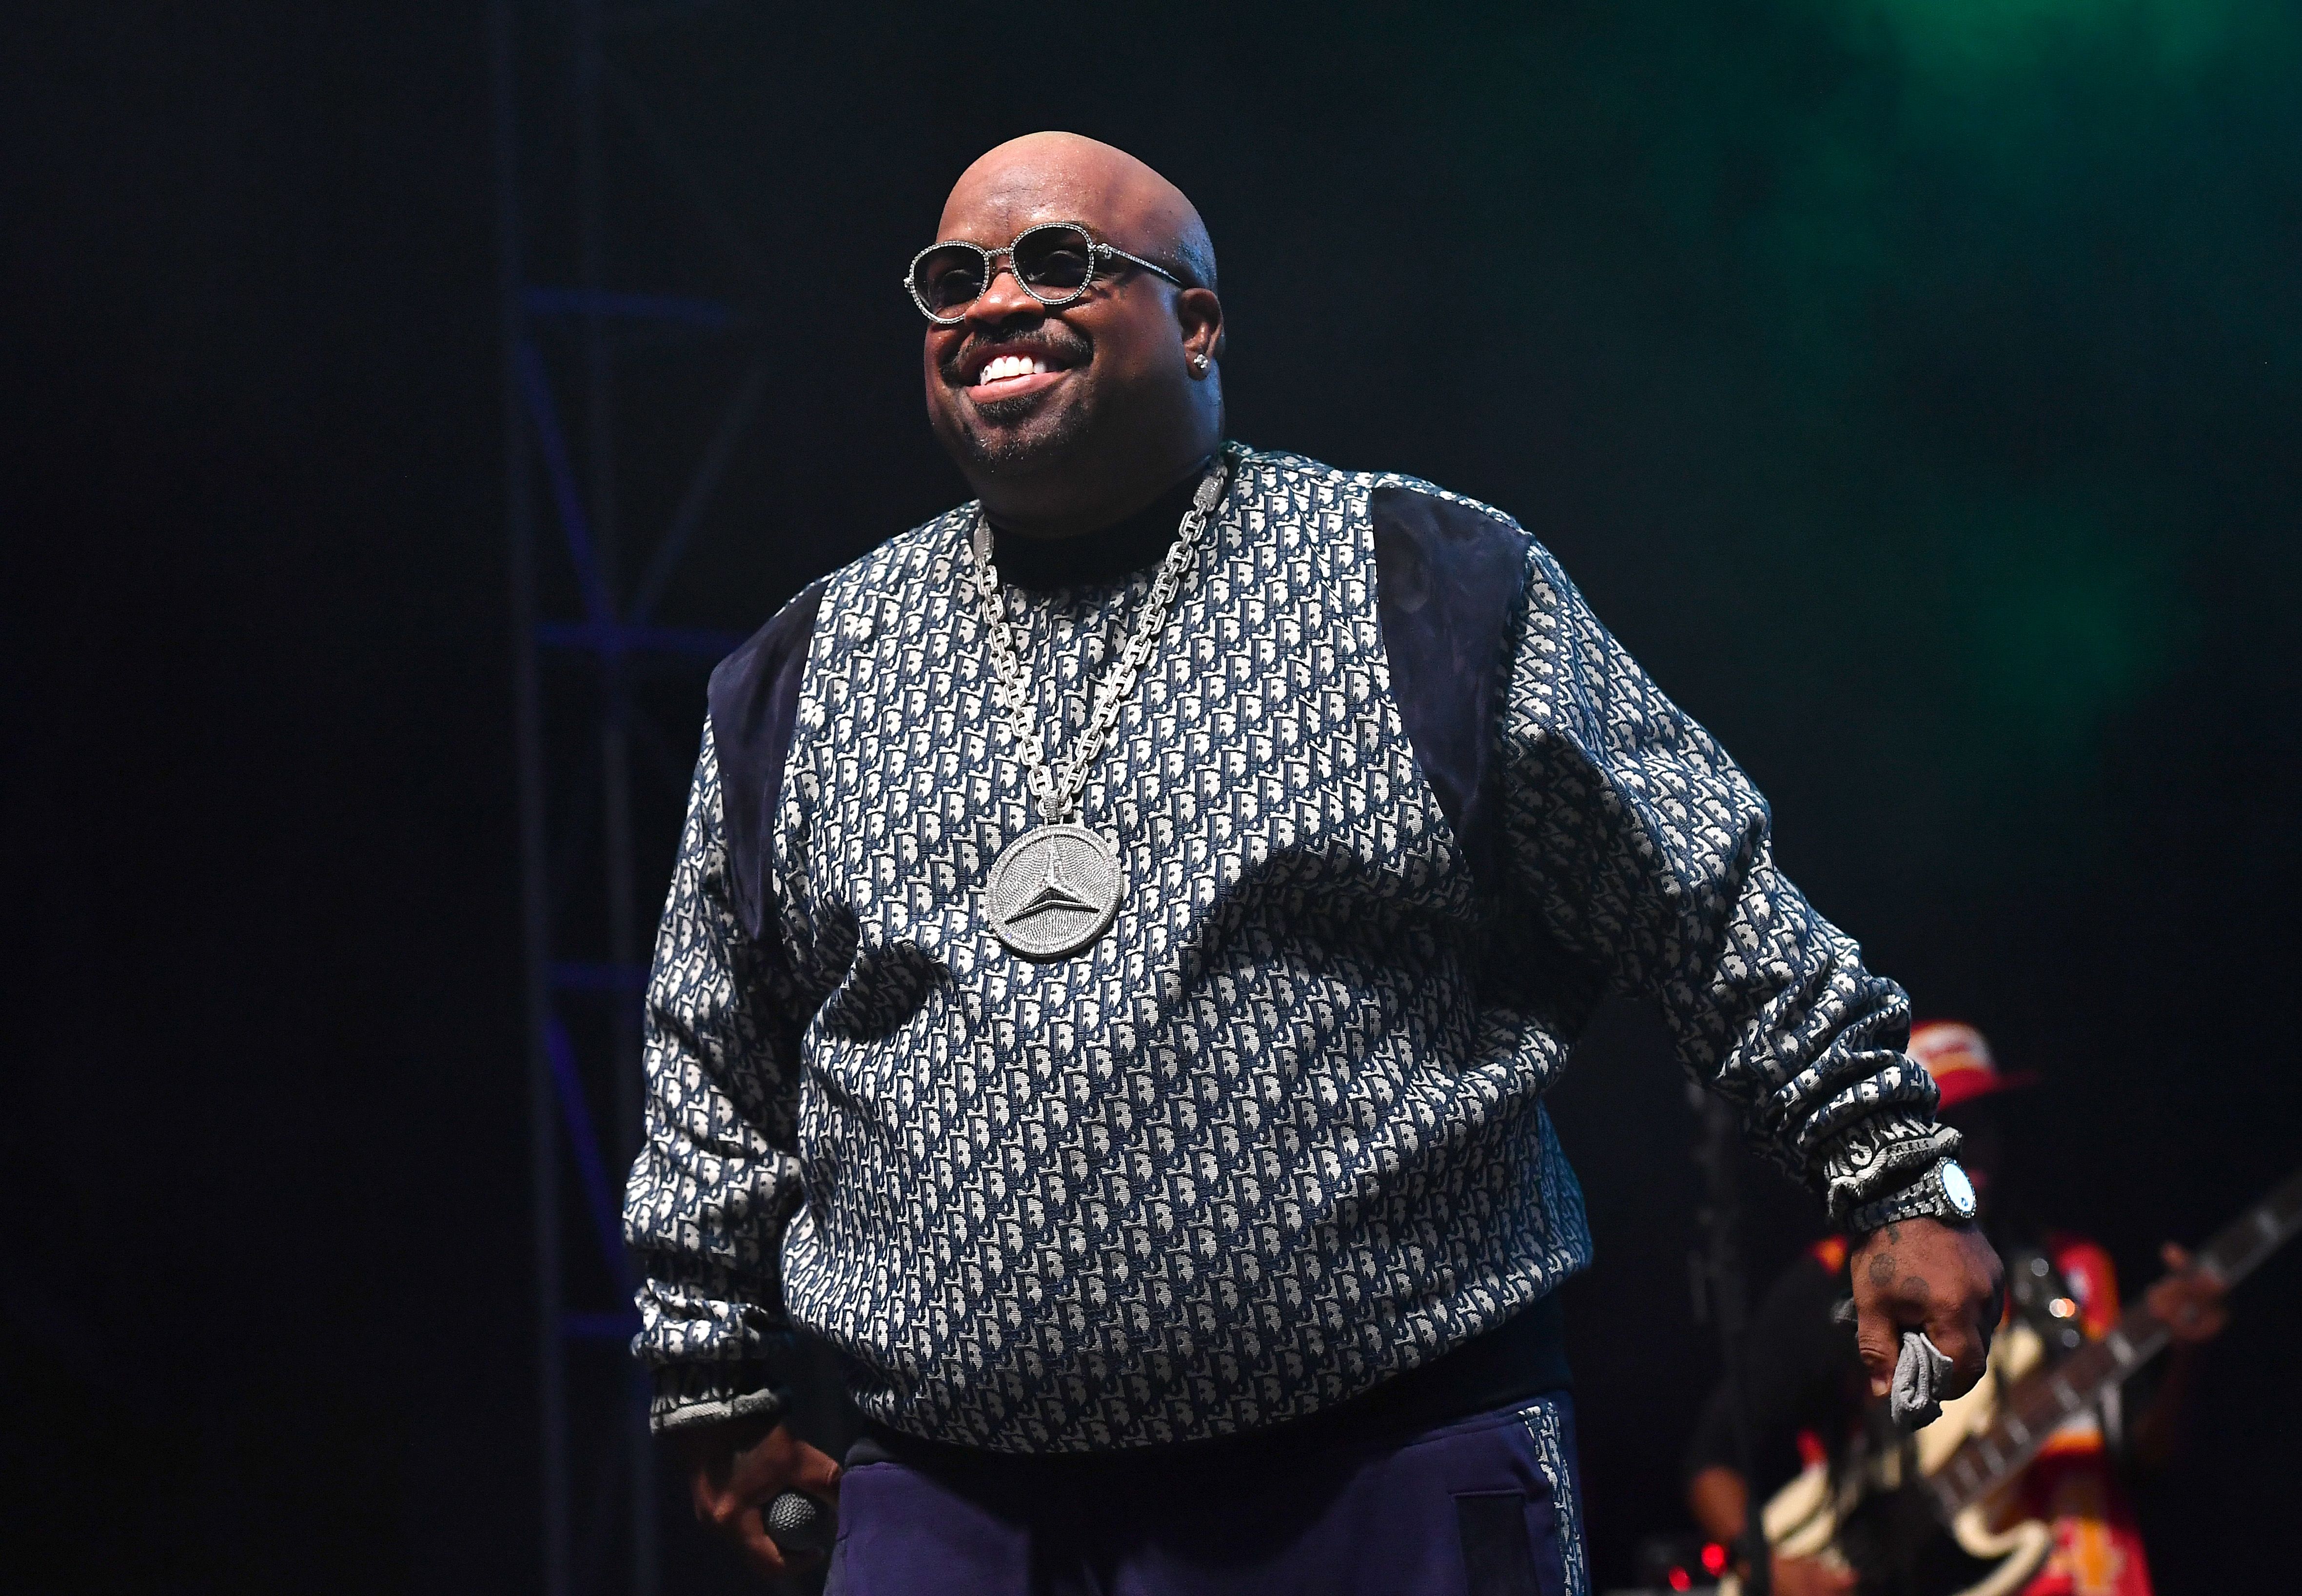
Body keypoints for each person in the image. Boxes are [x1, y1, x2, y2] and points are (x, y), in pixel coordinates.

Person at [622, 131, 2003, 1593]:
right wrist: (713, 1376)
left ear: (1197, 323)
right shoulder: (809, 666)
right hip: (953, 1499)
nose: (994, 304)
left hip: (1384, 1462)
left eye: (1058, 262)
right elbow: (711, 1045)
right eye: (954, 278)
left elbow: (1698, 887)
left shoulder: (1423, 579)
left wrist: (1894, 1173)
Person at [1683, 1022, 2230, 1596]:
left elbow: (2145, 1456)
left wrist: (2185, 1354)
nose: (1975, 1152)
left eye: (1982, 1125)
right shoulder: (1825, 1289)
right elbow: (1712, 1459)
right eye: (1947, 1130)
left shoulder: (2072, 1269)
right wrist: (1769, 1568)